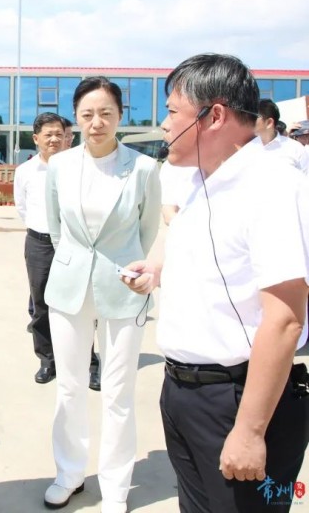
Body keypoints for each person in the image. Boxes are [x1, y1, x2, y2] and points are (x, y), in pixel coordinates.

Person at [123, 53, 309, 512]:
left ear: (215, 116)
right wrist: (156, 270)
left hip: (239, 400)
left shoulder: (272, 186)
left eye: (172, 111)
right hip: (184, 392)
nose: (163, 125)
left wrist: (249, 431)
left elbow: (285, 318)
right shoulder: (197, 181)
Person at [42, 77, 161, 512]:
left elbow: (147, 230)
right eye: (88, 114)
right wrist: (76, 263)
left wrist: (127, 266)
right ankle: (69, 473)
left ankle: (115, 486)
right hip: (69, 287)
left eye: (106, 113)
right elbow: (56, 229)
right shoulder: (60, 166)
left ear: (120, 116)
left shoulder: (144, 168)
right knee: (70, 387)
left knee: (118, 391)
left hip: (123, 286)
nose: (97, 122)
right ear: (76, 118)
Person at [14, 112, 99, 386]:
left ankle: (89, 362)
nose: (53, 139)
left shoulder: (80, 167)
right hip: (39, 244)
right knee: (41, 304)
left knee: (79, 304)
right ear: (35, 138)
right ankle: (47, 360)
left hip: (74, 243)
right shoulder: (25, 171)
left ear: (67, 138)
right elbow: (22, 206)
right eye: (48, 134)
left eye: (59, 135)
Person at [254, 99, 309, 174]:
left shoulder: (295, 149)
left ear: (269, 122)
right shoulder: (245, 150)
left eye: (253, 118)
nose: (247, 121)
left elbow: (306, 178)